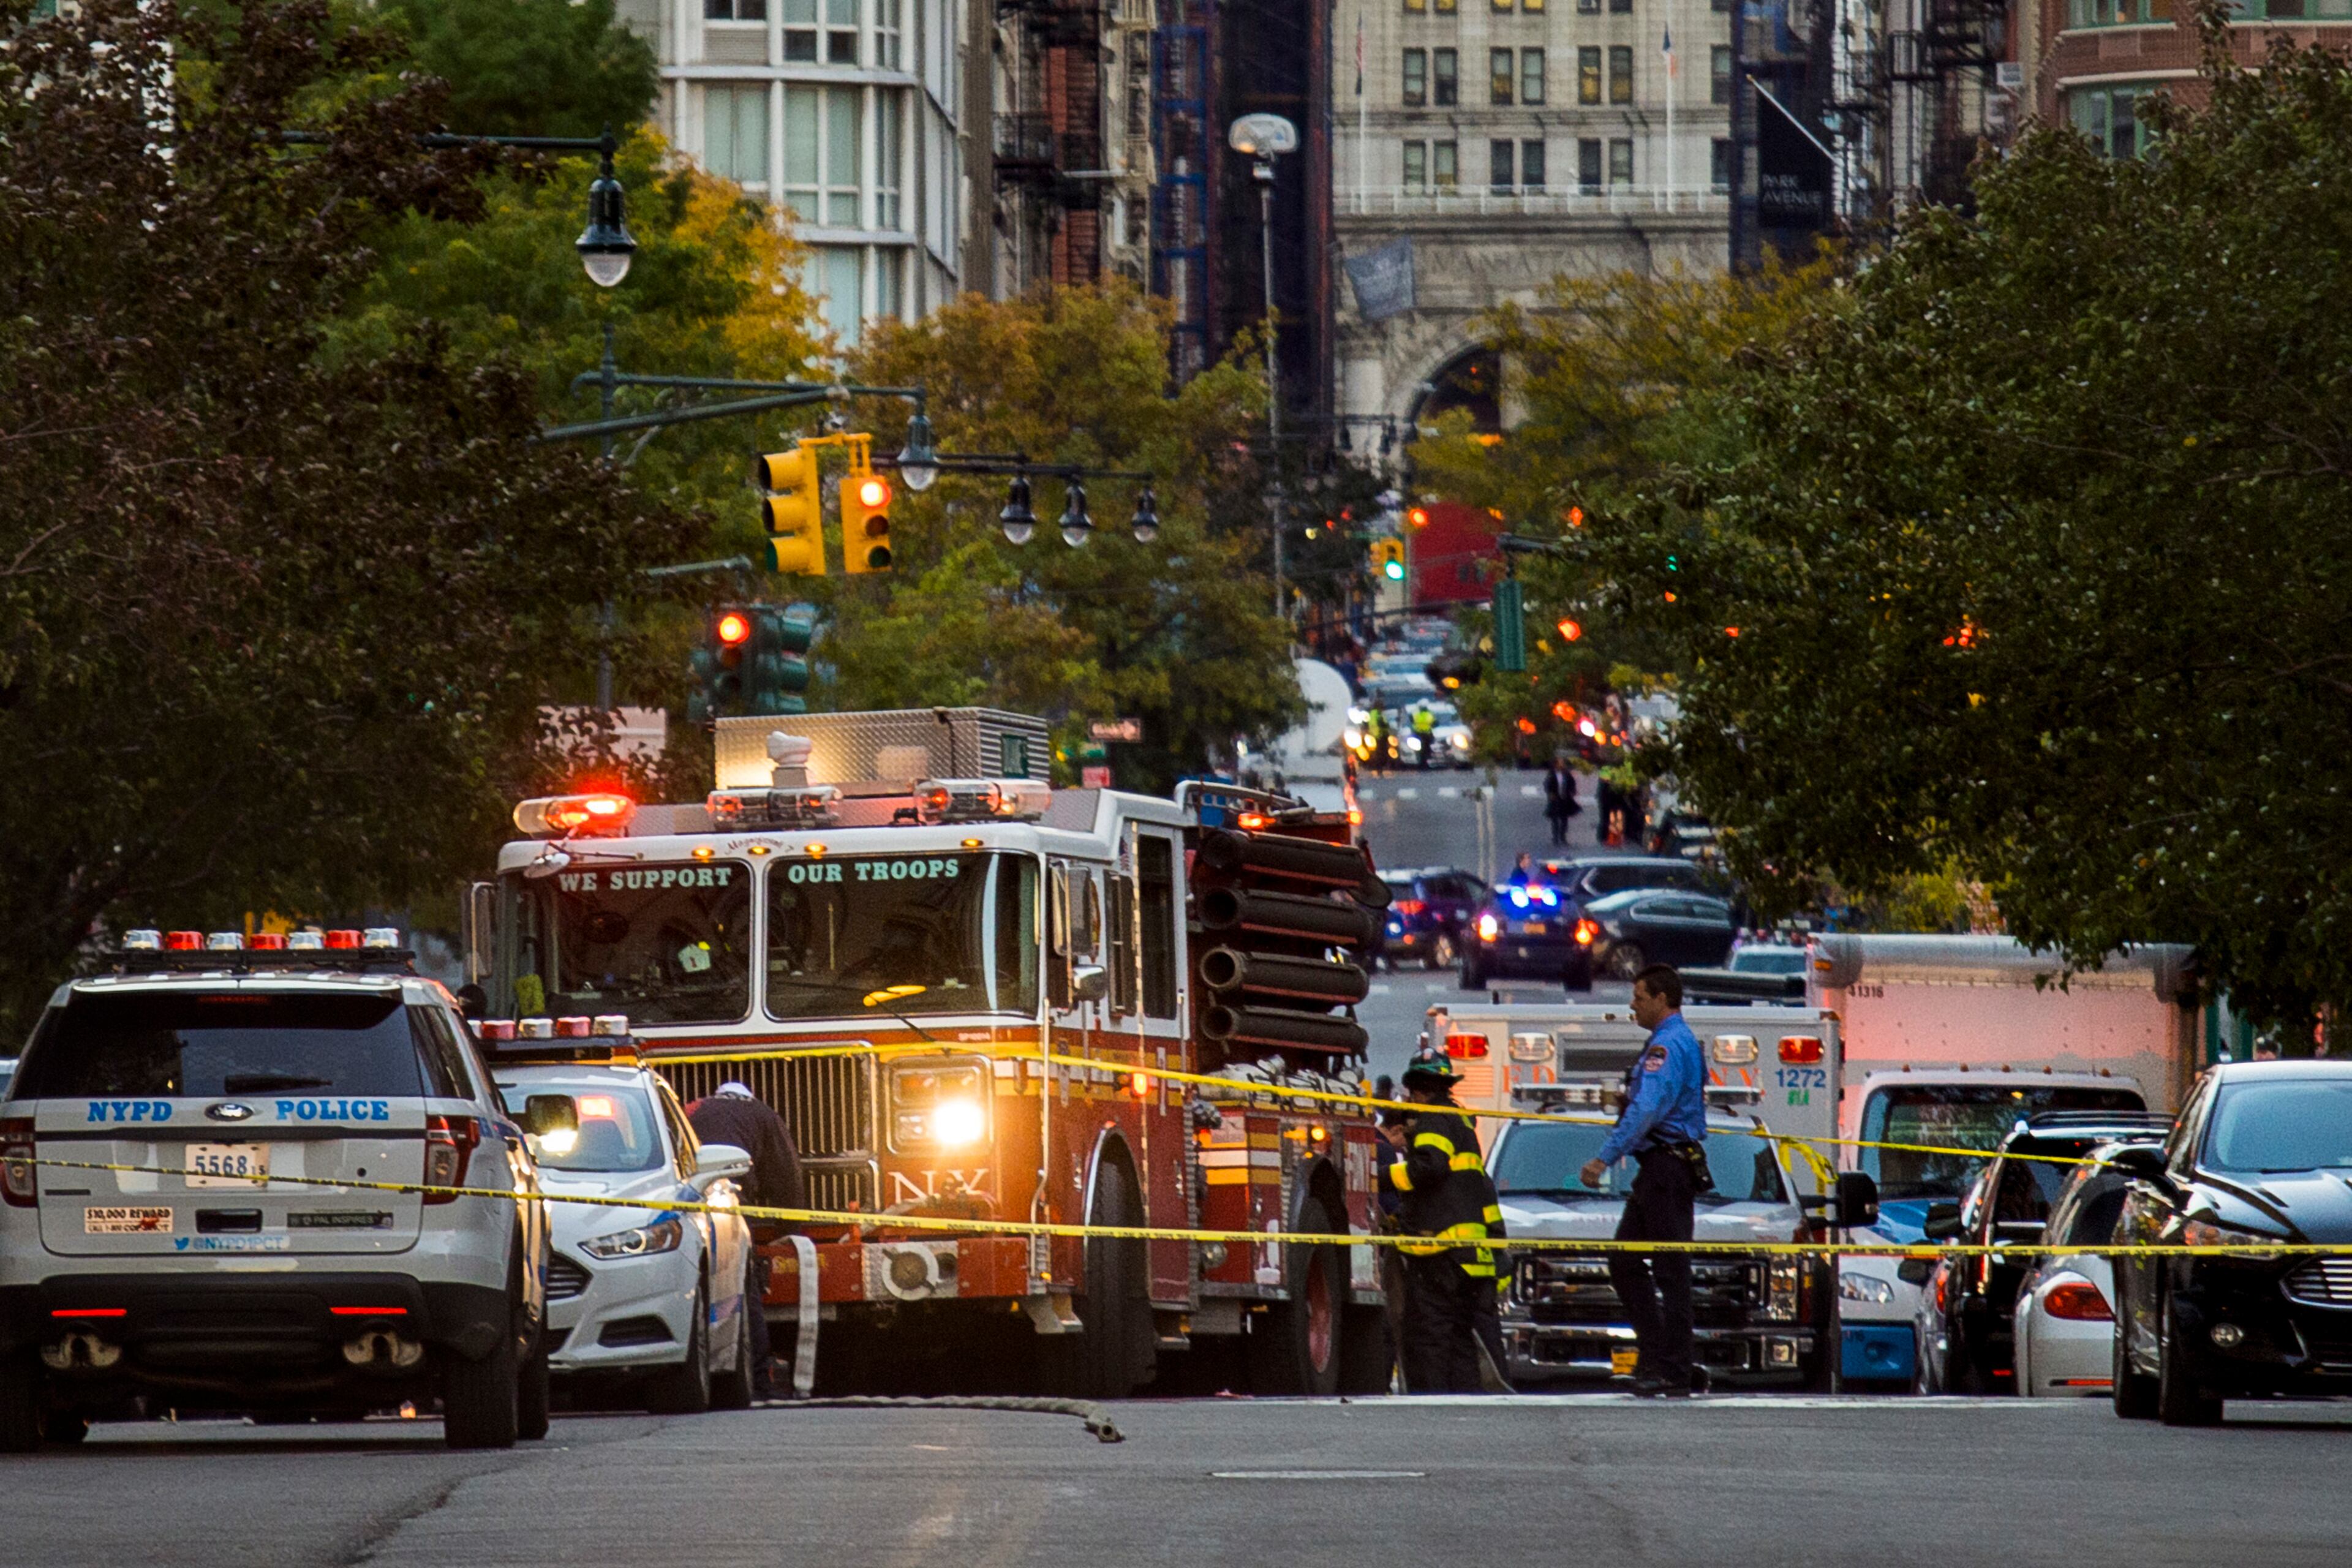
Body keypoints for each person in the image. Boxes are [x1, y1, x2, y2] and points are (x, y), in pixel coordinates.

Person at [1580, 964, 1709, 1397]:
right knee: (1624, 1259)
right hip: (1660, 1169)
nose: (1632, 1004)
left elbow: (1648, 1109)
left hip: (1666, 1169)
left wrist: (1603, 1158)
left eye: (1638, 996)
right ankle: (1658, 1357)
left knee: (1671, 1273)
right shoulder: (1672, 1042)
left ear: (1661, 998)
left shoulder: (1667, 1047)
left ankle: (1672, 1369)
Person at [1383, 1049, 1512, 1393]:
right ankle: (1472, 1406)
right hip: (1473, 1259)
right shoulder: (1462, 1123)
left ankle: (1433, 1408)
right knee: (1463, 1341)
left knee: (1430, 1338)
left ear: (1417, 1090)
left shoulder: (1432, 1118)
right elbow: (1471, 1190)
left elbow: (1430, 1166)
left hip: (1439, 1254)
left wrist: (1383, 1177)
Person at [686, 1082, 807, 1398]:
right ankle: (760, 1380)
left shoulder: (693, 1110)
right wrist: (792, 1230)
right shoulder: (763, 1115)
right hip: (727, 1205)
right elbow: (785, 1176)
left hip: (684, 1209)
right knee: (743, 1287)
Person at [1542, 757, 1580, 848]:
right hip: (1555, 799)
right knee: (1555, 819)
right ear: (1555, 765)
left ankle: (1563, 837)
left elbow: (1572, 783)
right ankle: (1555, 838)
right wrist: (1550, 794)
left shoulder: (1566, 774)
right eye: (1560, 763)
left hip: (1565, 799)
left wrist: (1573, 791)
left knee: (1564, 819)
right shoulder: (1551, 775)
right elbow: (1547, 785)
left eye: (1562, 763)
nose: (1562, 765)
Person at [1411, 702, 1436, 769]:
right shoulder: (1430, 715)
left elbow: (1411, 722)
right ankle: (1425, 763)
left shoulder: (1416, 715)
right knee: (1426, 749)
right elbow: (1435, 723)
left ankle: (1421, 763)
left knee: (1419, 750)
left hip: (1418, 734)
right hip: (1427, 735)